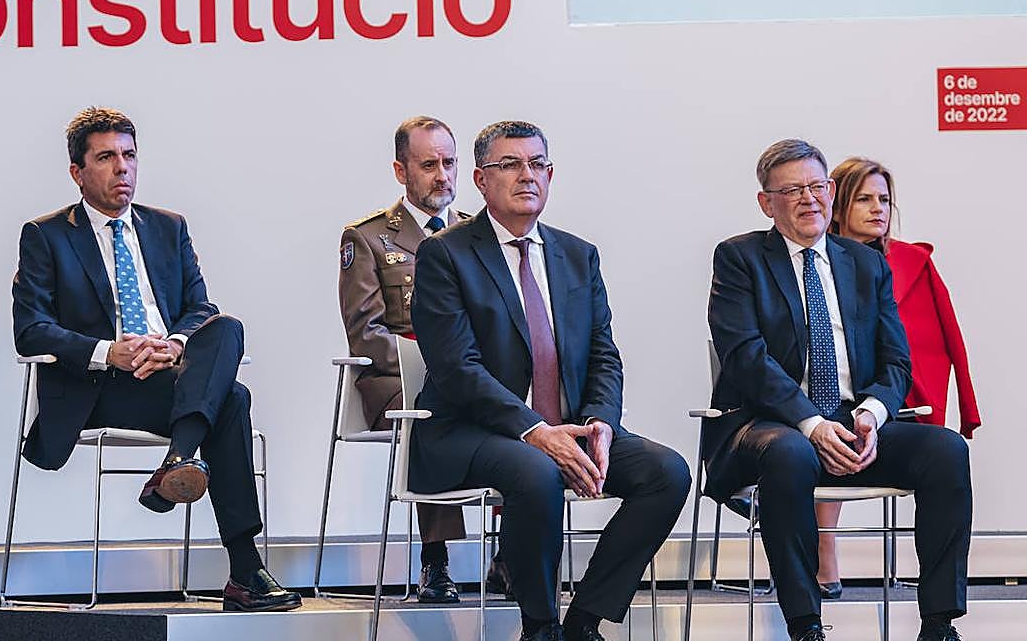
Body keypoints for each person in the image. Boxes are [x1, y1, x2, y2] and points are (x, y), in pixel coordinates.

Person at [410, 120, 690, 641]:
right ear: (480, 179)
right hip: (469, 431)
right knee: (535, 472)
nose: (526, 176)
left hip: (568, 427)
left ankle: (584, 620)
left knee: (666, 472)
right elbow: (457, 369)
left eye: (537, 164)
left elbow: (605, 354)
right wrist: (537, 432)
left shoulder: (577, 254)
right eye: (509, 165)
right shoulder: (446, 255)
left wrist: (601, 423)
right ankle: (539, 626)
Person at [12, 107, 300, 612]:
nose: (122, 168)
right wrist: (110, 352)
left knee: (227, 327)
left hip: (169, 377)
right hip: (100, 389)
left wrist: (174, 344)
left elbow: (200, 309)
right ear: (77, 172)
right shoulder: (48, 235)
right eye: (106, 157)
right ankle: (244, 567)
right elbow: (30, 328)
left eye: (129, 155)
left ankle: (180, 462)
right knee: (231, 399)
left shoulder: (168, 227)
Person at [706, 139, 972, 641]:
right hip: (770, 425)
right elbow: (745, 358)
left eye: (816, 186)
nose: (809, 199)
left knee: (944, 450)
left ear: (830, 191)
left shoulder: (865, 263)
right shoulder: (740, 258)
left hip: (853, 423)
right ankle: (805, 623)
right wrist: (810, 422)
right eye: (791, 190)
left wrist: (871, 414)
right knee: (790, 453)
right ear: (767, 203)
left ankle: (939, 623)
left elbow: (896, 360)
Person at [814, 157, 981, 599]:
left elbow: (940, 335)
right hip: (823, 403)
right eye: (864, 198)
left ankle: (941, 612)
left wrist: (961, 404)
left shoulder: (910, 261)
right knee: (831, 423)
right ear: (838, 203)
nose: (877, 209)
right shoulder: (811, 266)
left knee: (943, 452)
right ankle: (824, 550)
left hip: (895, 397)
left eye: (884, 199)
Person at [337, 115, 471, 603]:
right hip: (397, 383)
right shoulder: (369, 238)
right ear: (402, 171)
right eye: (429, 164)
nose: (443, 176)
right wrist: (431, 375)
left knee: (522, 403)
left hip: (471, 377)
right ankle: (436, 562)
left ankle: (512, 553)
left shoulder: (478, 234)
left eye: (450, 163)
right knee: (435, 410)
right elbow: (366, 334)